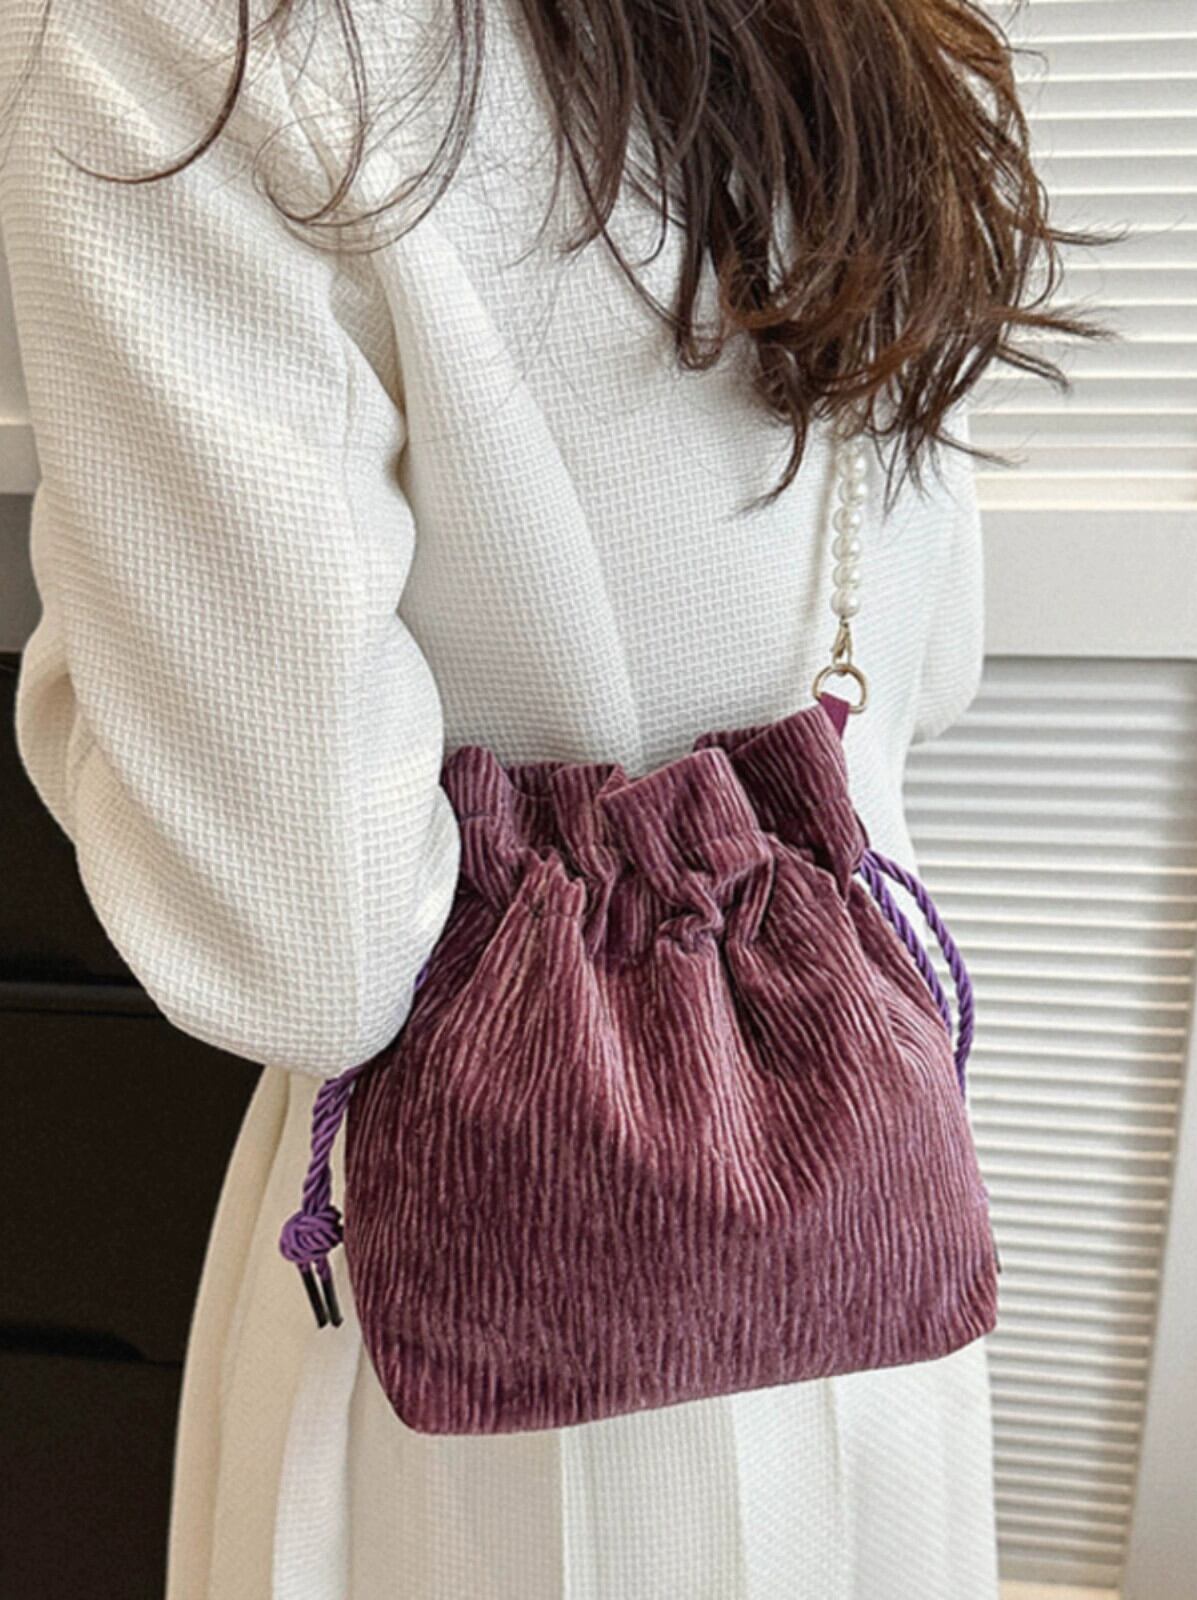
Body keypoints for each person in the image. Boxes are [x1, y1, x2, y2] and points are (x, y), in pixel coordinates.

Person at [0, 0, 1092, 1594]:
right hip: (861, 1259)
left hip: (504, 1344)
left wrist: (84, 665)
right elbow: (928, 673)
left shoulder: (187, 35)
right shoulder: (900, 39)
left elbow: (304, 949)